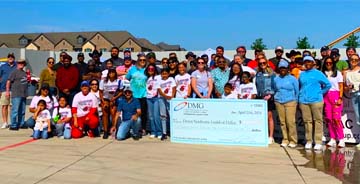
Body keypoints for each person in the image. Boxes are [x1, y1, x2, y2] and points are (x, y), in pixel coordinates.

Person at [299, 56, 331, 151]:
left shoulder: (318, 73)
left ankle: (318, 141)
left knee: (318, 120)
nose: (307, 63)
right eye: (305, 62)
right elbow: (300, 86)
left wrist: (320, 92)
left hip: (316, 100)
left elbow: (327, 85)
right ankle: (309, 140)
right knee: (307, 121)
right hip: (304, 101)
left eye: (309, 61)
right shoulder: (302, 74)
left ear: (313, 63)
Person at [274, 60, 299, 148]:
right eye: (281, 68)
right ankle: (285, 139)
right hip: (279, 101)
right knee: (282, 122)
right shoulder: (276, 78)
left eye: (284, 68)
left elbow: (297, 91)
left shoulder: (293, 79)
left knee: (290, 121)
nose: (282, 69)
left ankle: (293, 140)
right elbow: (274, 89)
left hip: (290, 101)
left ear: (288, 69)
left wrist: (296, 101)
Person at [321, 56, 345, 148]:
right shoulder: (322, 74)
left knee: (336, 118)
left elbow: (341, 86)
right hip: (326, 96)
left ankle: (341, 139)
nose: (328, 64)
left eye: (330, 63)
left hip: (335, 95)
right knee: (329, 118)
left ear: (333, 63)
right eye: (327, 63)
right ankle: (332, 138)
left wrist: (340, 97)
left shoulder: (337, 73)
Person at [126, 53, 148, 136]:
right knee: (133, 112)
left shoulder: (146, 70)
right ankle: (133, 128)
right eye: (141, 60)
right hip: (134, 95)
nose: (142, 61)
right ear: (138, 61)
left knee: (143, 113)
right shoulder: (132, 69)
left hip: (144, 95)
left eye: (144, 60)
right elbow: (127, 78)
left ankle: (143, 129)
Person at [255, 57, 276, 144]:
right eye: (260, 63)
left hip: (268, 97)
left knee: (269, 117)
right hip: (259, 97)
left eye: (264, 63)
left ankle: (271, 136)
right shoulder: (257, 73)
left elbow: (275, 85)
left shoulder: (272, 73)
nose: (262, 64)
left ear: (267, 63)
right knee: (260, 117)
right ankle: (262, 134)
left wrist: (270, 94)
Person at [99, 68, 123, 139]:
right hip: (105, 99)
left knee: (113, 113)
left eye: (113, 73)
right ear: (108, 74)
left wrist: (115, 98)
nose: (111, 74)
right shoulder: (103, 82)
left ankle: (113, 130)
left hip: (114, 99)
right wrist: (103, 101)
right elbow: (100, 92)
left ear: (115, 74)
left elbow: (121, 91)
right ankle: (105, 131)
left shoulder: (119, 81)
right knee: (105, 114)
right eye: (110, 73)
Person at [6, 59, 28, 130]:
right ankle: (13, 125)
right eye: (19, 63)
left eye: (22, 63)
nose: (21, 64)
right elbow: (8, 82)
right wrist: (7, 91)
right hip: (16, 94)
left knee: (22, 111)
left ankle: (21, 123)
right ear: (17, 64)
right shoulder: (14, 72)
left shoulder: (24, 73)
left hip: (23, 94)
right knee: (15, 110)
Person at [156, 68, 176, 140]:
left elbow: (174, 88)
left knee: (171, 114)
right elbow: (159, 91)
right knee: (163, 115)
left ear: (168, 74)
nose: (164, 75)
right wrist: (166, 96)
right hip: (162, 98)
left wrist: (172, 96)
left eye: (165, 73)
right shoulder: (158, 81)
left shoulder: (171, 79)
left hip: (170, 98)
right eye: (163, 73)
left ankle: (173, 131)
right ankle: (164, 133)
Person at [0, 53, 17, 129]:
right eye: (9, 57)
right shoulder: (3, 66)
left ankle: (12, 122)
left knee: (12, 107)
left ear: (14, 58)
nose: (10, 58)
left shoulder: (17, 66)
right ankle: (5, 122)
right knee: (4, 106)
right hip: (3, 89)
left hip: (14, 89)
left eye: (12, 57)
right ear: (7, 58)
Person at [344, 54, 360, 133]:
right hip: (353, 95)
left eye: (356, 60)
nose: (354, 61)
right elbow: (344, 88)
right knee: (358, 117)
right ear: (349, 60)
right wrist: (348, 88)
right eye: (352, 59)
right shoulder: (346, 73)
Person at [145, 64, 161, 139]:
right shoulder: (147, 78)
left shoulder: (158, 77)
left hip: (156, 98)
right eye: (149, 69)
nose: (150, 70)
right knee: (151, 116)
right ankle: (153, 131)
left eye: (152, 69)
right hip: (148, 98)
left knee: (156, 115)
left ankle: (159, 132)